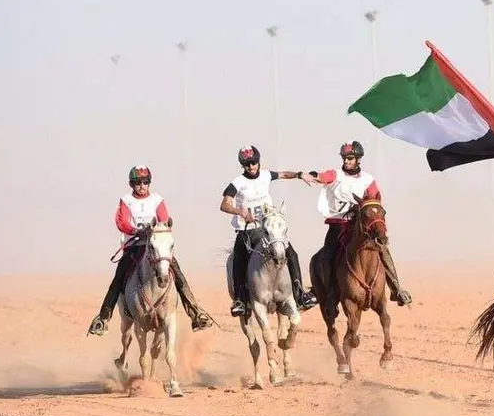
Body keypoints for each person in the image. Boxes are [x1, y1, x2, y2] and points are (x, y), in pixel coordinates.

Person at [87, 165, 212, 336]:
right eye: (138, 182)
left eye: (145, 182)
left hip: (155, 248)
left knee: (178, 274)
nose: (142, 185)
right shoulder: (126, 200)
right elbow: (121, 222)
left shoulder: (157, 200)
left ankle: (196, 313)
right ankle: (103, 318)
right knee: (118, 279)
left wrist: (156, 232)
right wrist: (136, 231)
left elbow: (164, 219)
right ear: (132, 184)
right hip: (134, 247)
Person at [220, 145, 319, 317]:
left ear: (258, 162)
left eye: (254, 163)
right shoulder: (237, 183)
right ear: (242, 165)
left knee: (291, 253)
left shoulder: (266, 175)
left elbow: (283, 175)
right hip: (247, 231)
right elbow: (224, 204)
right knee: (238, 260)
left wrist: (300, 175)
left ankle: (299, 293)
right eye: (247, 164)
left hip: (268, 228)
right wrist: (240, 211)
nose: (251, 166)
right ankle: (240, 300)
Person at [310, 140, 412, 306]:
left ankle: (396, 290)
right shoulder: (336, 175)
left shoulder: (368, 180)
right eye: (344, 158)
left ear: (358, 159)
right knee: (327, 254)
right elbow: (322, 177)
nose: (346, 161)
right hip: (338, 225)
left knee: (382, 250)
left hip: (361, 228)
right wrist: (312, 176)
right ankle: (327, 293)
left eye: (350, 158)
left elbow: (375, 202)